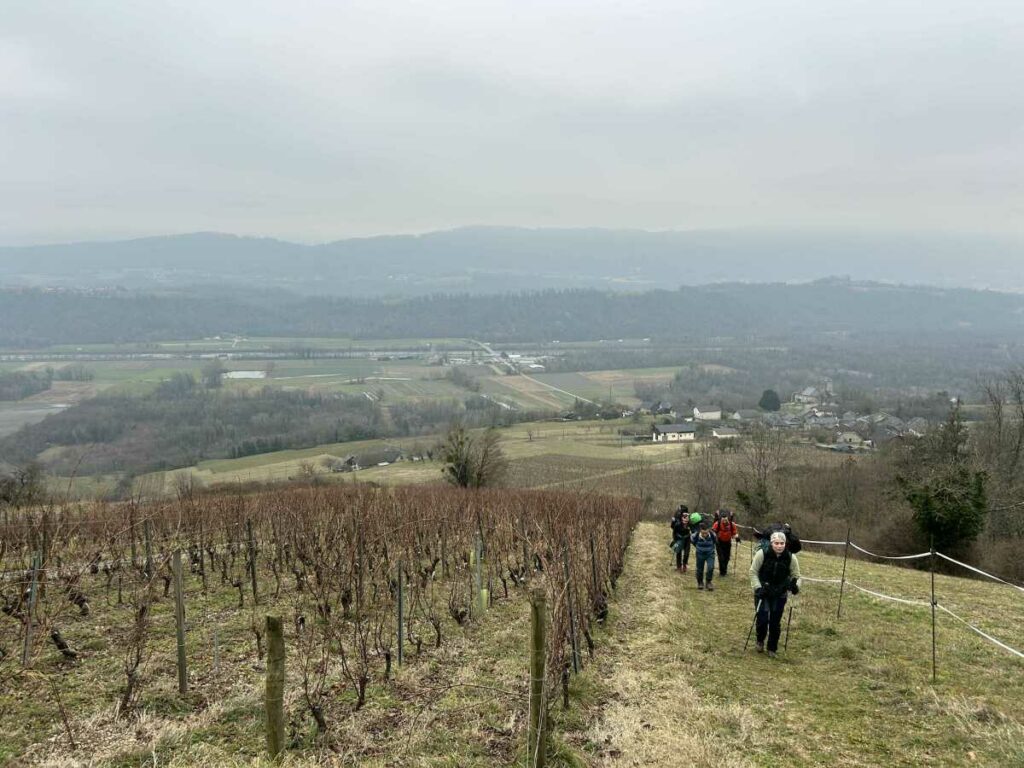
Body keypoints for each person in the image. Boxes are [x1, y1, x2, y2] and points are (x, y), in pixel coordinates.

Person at [749, 531, 801, 657]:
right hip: (763, 591)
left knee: (775, 621)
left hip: (780, 593)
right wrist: (757, 588)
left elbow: (797, 576)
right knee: (762, 619)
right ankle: (760, 640)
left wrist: (795, 587)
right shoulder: (762, 554)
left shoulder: (791, 557)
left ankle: (772, 648)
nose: (779, 546)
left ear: (785, 544)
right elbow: (753, 572)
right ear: (771, 543)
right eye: (776, 543)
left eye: (782, 543)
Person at [712, 508, 739, 576]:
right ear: (721, 519)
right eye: (723, 520)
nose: (724, 521)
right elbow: (713, 532)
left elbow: (735, 533)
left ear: (728, 519)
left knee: (727, 557)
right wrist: (714, 537)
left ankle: (724, 570)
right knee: (721, 557)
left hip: (728, 543)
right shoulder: (717, 524)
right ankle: (722, 572)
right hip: (719, 543)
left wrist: (737, 537)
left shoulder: (732, 524)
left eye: (726, 520)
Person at [691, 522, 717, 590]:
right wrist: (698, 547)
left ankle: (708, 582)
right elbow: (693, 541)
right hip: (700, 553)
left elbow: (715, 541)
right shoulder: (695, 535)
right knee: (699, 569)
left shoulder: (712, 534)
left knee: (711, 567)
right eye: (703, 533)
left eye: (706, 533)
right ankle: (700, 582)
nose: (705, 535)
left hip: (710, 553)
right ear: (700, 531)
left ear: (708, 530)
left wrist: (711, 549)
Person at [669, 505, 693, 572]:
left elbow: (693, 530)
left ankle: (684, 564)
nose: (685, 519)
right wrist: (675, 539)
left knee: (686, 553)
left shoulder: (690, 522)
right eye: (684, 517)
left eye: (687, 517)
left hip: (687, 538)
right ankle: (679, 566)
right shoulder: (677, 523)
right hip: (679, 538)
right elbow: (674, 532)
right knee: (678, 552)